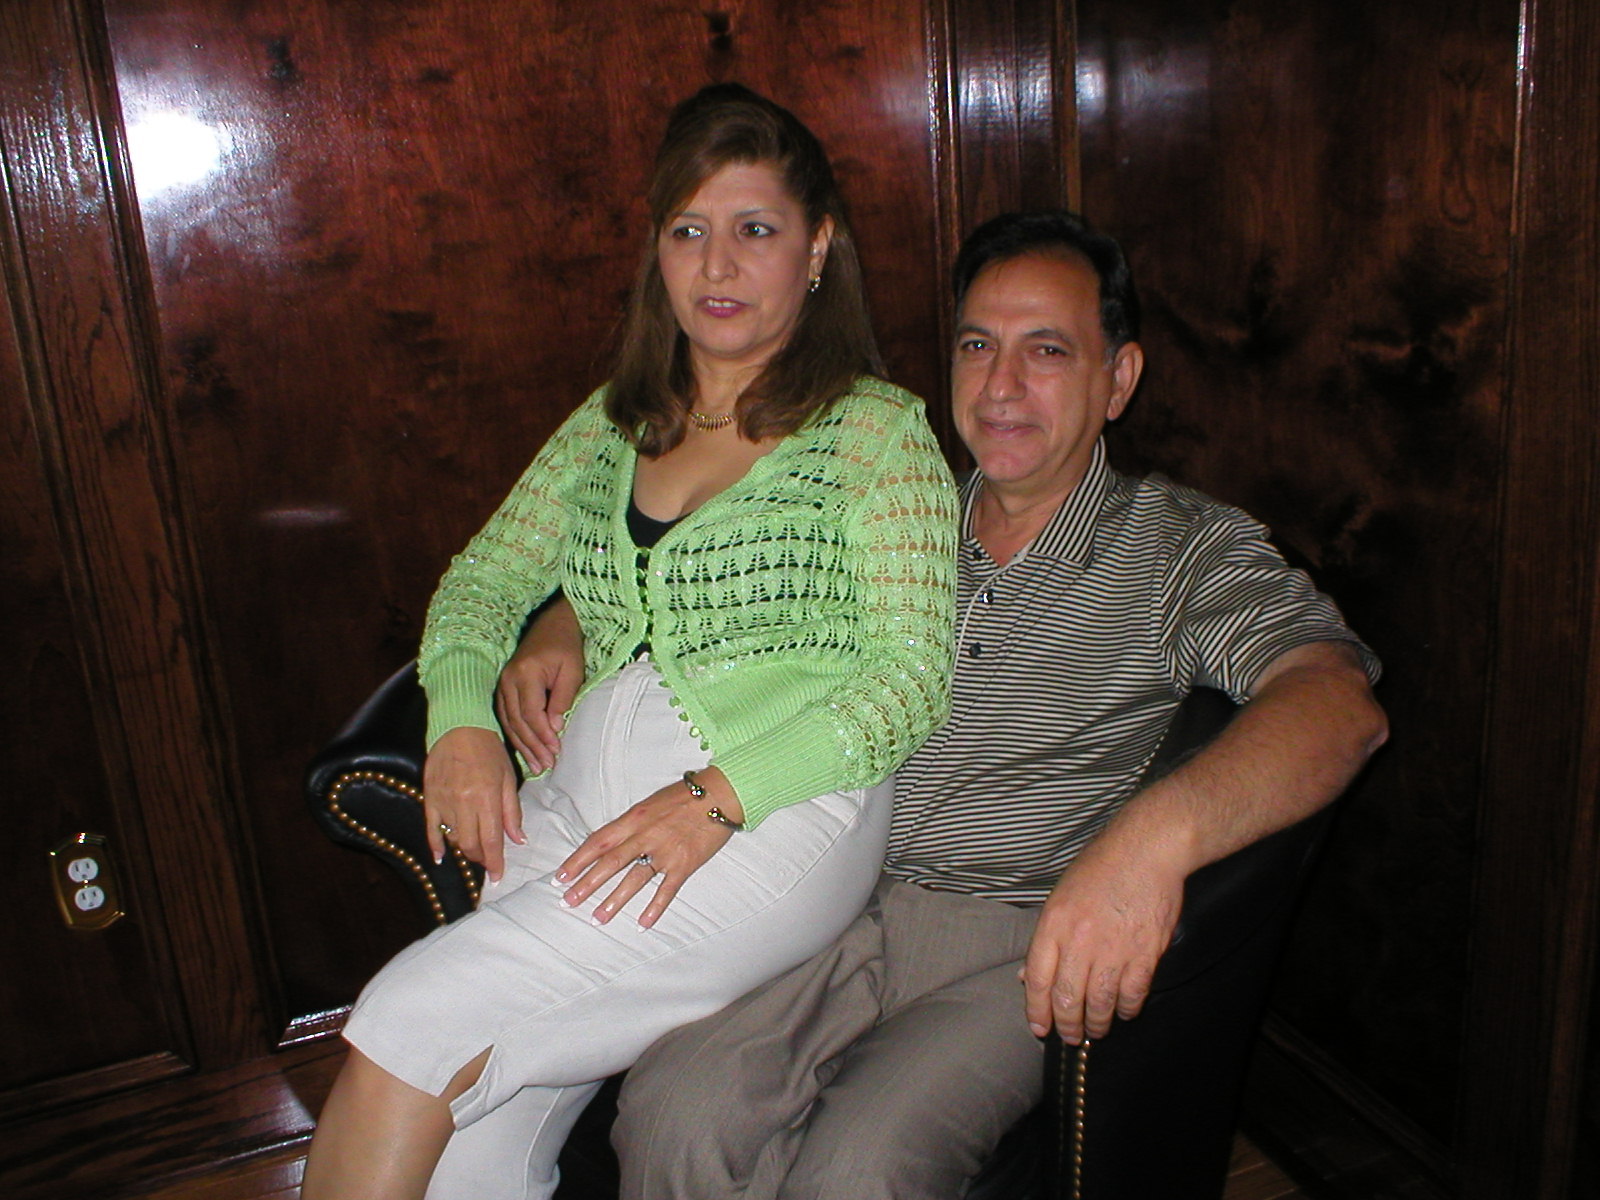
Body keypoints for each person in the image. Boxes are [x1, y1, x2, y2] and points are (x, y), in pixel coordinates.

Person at [500, 210, 1389, 1199]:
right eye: (976, 346)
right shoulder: (883, 507)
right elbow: (678, 577)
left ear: (1118, 379)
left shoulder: (1180, 547)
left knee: (858, 1172)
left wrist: (1151, 841)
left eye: (1045, 350)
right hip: (823, 890)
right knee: (674, 1116)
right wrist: (564, 623)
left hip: (1011, 941)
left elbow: (1336, 705)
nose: (1000, 386)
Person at [299, 84, 958, 1200]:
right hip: (574, 806)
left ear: (816, 250)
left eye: (755, 230)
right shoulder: (613, 422)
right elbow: (481, 581)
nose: (717, 265)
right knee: (477, 1122)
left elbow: (910, 680)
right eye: (688, 231)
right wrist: (460, 723)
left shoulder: (875, 434)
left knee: (407, 1024)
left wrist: (717, 797)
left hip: (768, 818)